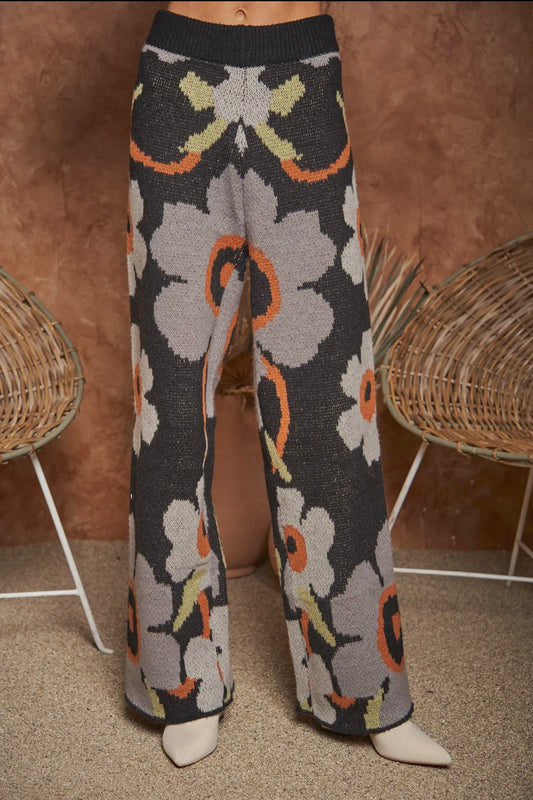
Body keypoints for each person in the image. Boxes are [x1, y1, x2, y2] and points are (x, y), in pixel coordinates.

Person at [124, 0, 452, 769]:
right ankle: (181, 686)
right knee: (168, 403)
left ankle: (365, 689)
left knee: (330, 403)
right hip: (176, 85)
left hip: (303, 86)